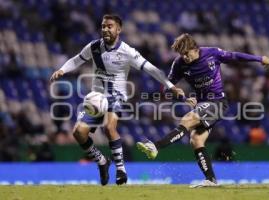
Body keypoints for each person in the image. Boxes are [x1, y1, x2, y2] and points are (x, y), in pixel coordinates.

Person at [50, 14, 184, 185]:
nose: (105, 29)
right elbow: (76, 60)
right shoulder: (94, 47)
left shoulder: (127, 51)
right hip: (96, 98)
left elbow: (151, 69)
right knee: (78, 132)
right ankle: (102, 161)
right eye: (103, 26)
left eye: (110, 26)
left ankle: (121, 170)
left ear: (118, 29)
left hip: (116, 96)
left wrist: (171, 86)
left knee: (109, 126)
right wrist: (62, 70)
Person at [137, 33, 269, 187]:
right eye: (181, 54)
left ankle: (156, 147)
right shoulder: (179, 63)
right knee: (196, 140)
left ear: (195, 49)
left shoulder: (212, 53)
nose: (184, 57)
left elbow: (235, 56)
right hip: (202, 104)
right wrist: (182, 97)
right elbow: (167, 85)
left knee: (187, 119)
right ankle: (211, 180)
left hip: (218, 102)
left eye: (186, 53)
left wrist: (259, 59)